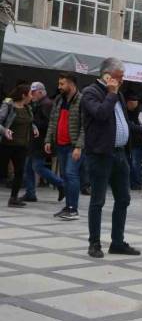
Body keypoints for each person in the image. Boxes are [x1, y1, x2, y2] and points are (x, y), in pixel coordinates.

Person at [82, 58, 142, 257]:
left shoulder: (118, 95)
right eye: (119, 77)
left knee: (123, 198)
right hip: (101, 154)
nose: (121, 81)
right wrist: (111, 93)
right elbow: (101, 114)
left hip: (120, 154)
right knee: (98, 200)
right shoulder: (90, 93)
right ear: (107, 75)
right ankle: (94, 243)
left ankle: (117, 241)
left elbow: (125, 124)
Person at [44, 73, 85, 219]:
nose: (59, 86)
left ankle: (73, 209)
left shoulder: (81, 100)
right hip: (60, 144)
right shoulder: (59, 100)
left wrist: (79, 146)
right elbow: (53, 121)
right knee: (65, 176)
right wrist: (48, 140)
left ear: (71, 84)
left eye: (62, 84)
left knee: (71, 174)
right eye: (59, 83)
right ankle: (68, 207)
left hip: (73, 146)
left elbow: (84, 127)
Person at [22, 82, 64, 203]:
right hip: (36, 141)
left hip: (40, 142)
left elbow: (49, 124)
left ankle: (61, 184)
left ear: (40, 92)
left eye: (34, 93)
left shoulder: (46, 104)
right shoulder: (41, 103)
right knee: (29, 167)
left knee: (37, 166)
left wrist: (33, 123)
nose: (32, 95)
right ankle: (30, 193)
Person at [0, 84, 37, 207]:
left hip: (22, 146)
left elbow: (29, 121)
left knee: (19, 172)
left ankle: (13, 198)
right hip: (6, 145)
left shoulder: (28, 108)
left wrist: (34, 127)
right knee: (2, 171)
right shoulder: (8, 105)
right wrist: (4, 131)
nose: (32, 96)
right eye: (30, 94)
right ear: (23, 95)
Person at [125, 92, 142, 193]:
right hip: (133, 143)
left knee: (135, 163)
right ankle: (134, 183)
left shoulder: (140, 112)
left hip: (140, 144)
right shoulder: (132, 110)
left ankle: (137, 184)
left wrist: (132, 126)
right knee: (133, 163)